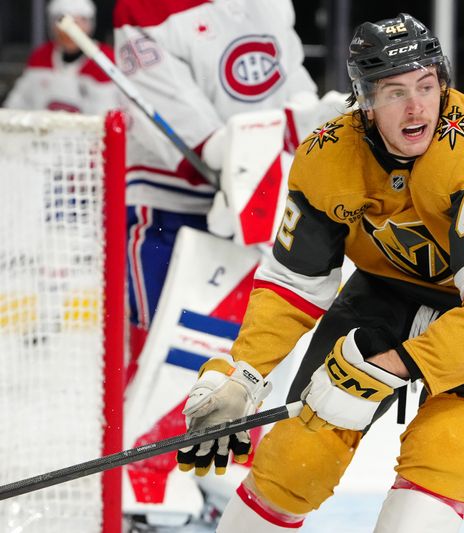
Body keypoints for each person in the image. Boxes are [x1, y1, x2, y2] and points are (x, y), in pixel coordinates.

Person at [176, 13, 464, 532]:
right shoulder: (329, 157)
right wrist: (244, 373)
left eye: (426, 85)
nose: (417, 106)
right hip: (386, 291)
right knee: (296, 455)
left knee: (448, 449)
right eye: (395, 92)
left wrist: (390, 367)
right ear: (365, 102)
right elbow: (292, 286)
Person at [113, 0, 345, 526]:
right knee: (169, 344)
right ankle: (143, 489)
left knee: (249, 348)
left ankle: (216, 473)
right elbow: (206, 145)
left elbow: (294, 90)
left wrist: (315, 116)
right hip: (172, 206)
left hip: (259, 201)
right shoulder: (148, 9)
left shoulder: (268, 4)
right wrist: (296, 122)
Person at [2, 0, 117, 114]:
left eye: (79, 21)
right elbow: (17, 103)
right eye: (63, 20)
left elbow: (109, 111)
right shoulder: (40, 57)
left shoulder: (105, 61)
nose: (69, 32)